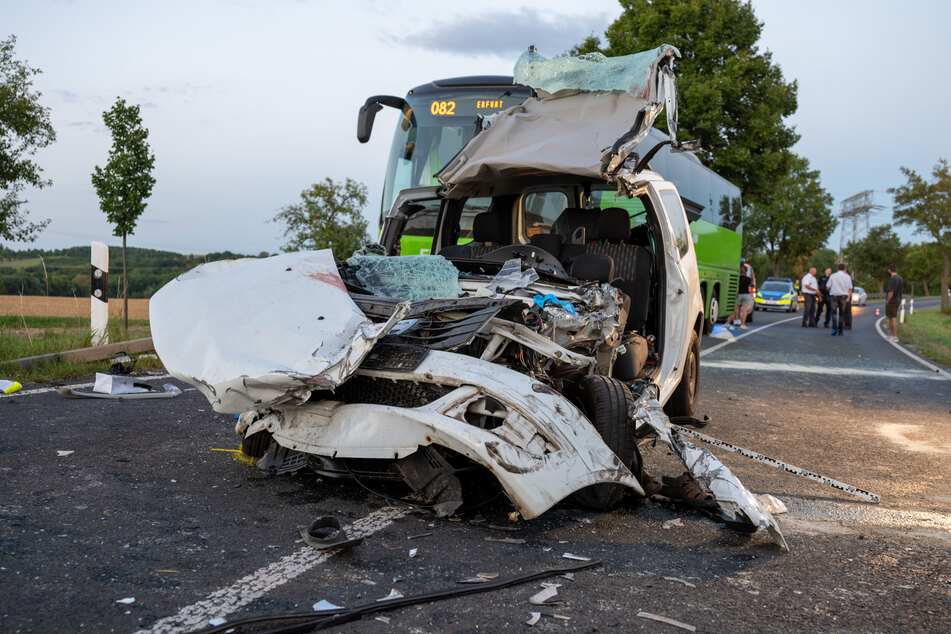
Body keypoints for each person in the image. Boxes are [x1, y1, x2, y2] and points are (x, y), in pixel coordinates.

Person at [827, 263, 853, 336]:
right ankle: (840, 330)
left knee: (834, 313)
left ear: (837, 268)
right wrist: (848, 297)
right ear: (844, 269)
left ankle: (834, 329)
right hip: (843, 296)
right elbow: (850, 288)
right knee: (842, 314)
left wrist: (831, 291)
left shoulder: (833, 276)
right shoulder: (847, 277)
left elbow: (828, 286)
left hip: (834, 295)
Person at [885, 264, 903, 341]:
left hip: (892, 300)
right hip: (898, 299)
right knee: (892, 317)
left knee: (892, 318)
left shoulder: (893, 279)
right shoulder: (900, 278)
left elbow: (891, 291)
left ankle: (894, 336)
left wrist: (888, 300)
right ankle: (892, 335)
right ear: (896, 269)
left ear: (889, 270)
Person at [734, 264, 754, 330]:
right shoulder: (748, 279)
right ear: (746, 271)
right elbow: (752, 284)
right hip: (746, 295)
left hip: (738, 295)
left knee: (736, 309)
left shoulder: (737, 278)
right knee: (744, 310)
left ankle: (736, 320)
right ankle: (742, 325)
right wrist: (752, 276)